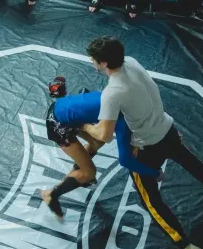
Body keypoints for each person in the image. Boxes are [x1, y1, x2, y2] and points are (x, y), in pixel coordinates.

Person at [83, 36, 203, 249]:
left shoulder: (112, 93)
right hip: (167, 129)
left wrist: (84, 128)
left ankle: (187, 247)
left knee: (151, 201)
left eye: (94, 60)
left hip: (147, 148)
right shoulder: (131, 61)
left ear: (104, 63)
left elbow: (104, 135)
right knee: (189, 160)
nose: (92, 62)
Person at [40, 77, 161, 218]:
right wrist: (155, 173)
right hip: (58, 124)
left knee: (97, 143)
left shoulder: (117, 96)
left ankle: (78, 173)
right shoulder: (122, 119)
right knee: (89, 173)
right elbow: (125, 159)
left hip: (66, 110)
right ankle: (50, 195)